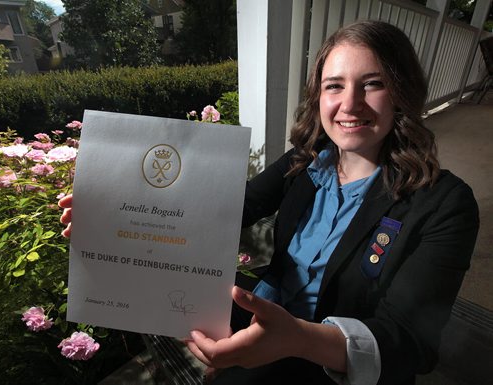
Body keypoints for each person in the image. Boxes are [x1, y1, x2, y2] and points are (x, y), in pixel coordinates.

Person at [60, 20, 479, 385]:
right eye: (334, 86)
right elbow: (226, 211)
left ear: (403, 91)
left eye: (373, 84)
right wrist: (116, 222)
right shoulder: (305, 161)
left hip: (333, 358)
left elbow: (409, 343)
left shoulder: (445, 204)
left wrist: (296, 339)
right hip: (267, 313)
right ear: (319, 96)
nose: (349, 104)